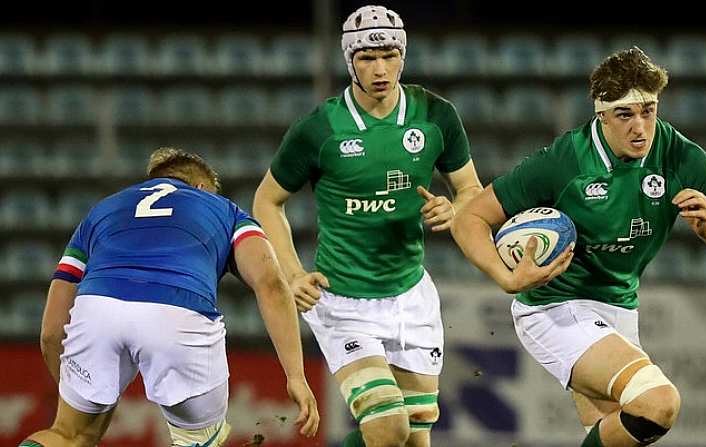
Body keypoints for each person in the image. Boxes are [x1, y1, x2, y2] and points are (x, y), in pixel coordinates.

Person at [451, 47, 706, 447]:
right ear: (601, 114)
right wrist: (508, 277)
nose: (640, 127)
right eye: (625, 114)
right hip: (556, 307)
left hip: (619, 308)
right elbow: (469, 219)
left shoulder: (681, 156)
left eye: (648, 111)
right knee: (658, 401)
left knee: (615, 437)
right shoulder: (564, 161)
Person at [253, 5, 483, 447]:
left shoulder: (435, 116)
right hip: (344, 302)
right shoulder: (320, 129)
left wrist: (454, 209)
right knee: (386, 426)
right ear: (349, 61)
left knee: (415, 439)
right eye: (366, 58)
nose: (380, 68)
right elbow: (266, 201)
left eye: (390, 55)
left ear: (403, 54)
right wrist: (293, 273)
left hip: (411, 296)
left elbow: (471, 189)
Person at [19, 148, 319, 447]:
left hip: (96, 310)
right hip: (177, 311)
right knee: (199, 439)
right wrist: (296, 375)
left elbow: (50, 331)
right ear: (202, 187)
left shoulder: (103, 210)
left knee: (69, 435)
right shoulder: (226, 210)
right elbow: (270, 283)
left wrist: (76, 387)